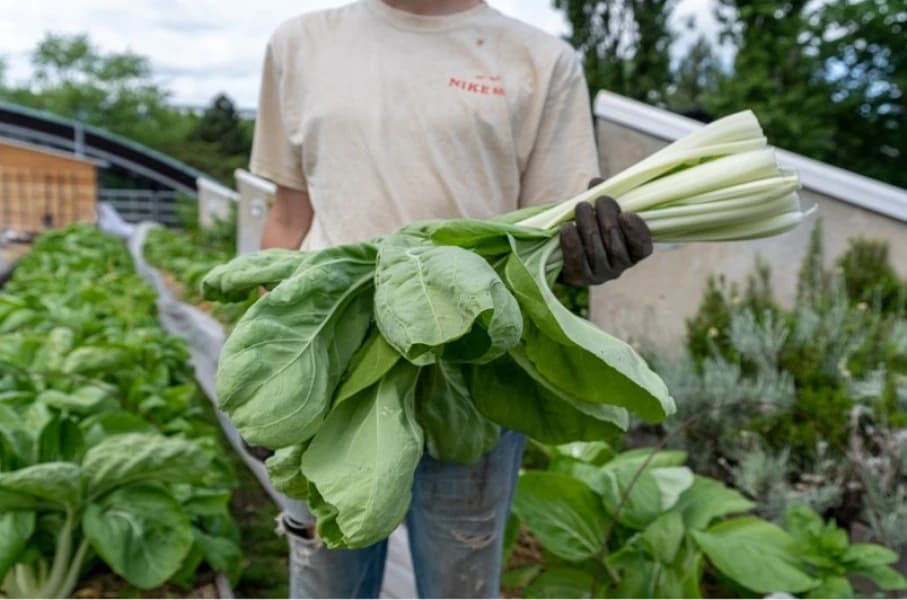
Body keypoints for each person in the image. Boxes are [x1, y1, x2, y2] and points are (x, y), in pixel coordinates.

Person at [248, 0, 653, 597]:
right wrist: (269, 371)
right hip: (334, 365)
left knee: (460, 580)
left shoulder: (541, 63)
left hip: (476, 377)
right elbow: (286, 219)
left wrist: (593, 260)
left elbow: (549, 250)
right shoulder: (300, 44)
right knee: (325, 575)